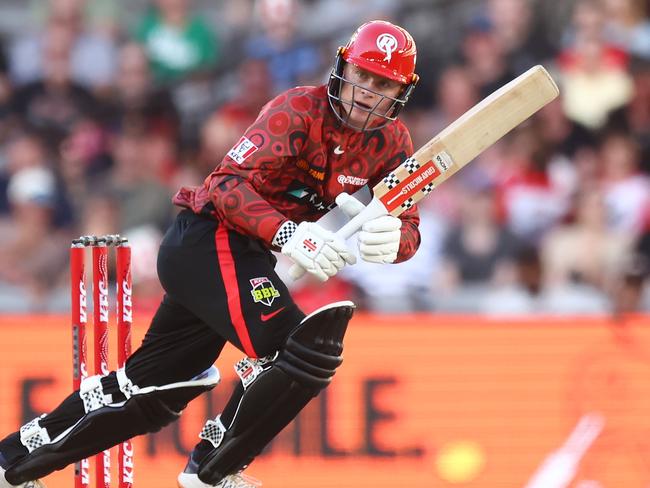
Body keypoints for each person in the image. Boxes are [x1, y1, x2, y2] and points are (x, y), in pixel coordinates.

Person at [0, 20, 421, 488]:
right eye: (362, 75)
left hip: (245, 258)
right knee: (303, 348)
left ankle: (12, 463)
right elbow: (224, 185)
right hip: (208, 239)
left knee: (154, 392)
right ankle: (212, 467)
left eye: (382, 83)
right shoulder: (298, 109)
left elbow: (410, 228)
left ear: (400, 92)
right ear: (344, 68)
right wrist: (289, 235)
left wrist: (391, 240)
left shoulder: (394, 143)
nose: (367, 91)